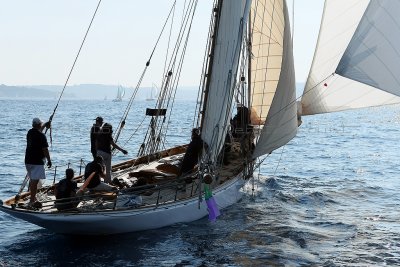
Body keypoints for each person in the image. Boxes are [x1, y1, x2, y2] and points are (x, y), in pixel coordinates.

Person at [25, 117, 51, 208]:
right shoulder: (42, 136)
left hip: (28, 161)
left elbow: (38, 130)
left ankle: (33, 197)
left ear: (33, 125)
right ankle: (32, 200)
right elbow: (45, 149)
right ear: (39, 124)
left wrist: (46, 123)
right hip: (37, 161)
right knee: (34, 182)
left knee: (33, 180)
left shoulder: (29, 133)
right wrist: (49, 160)